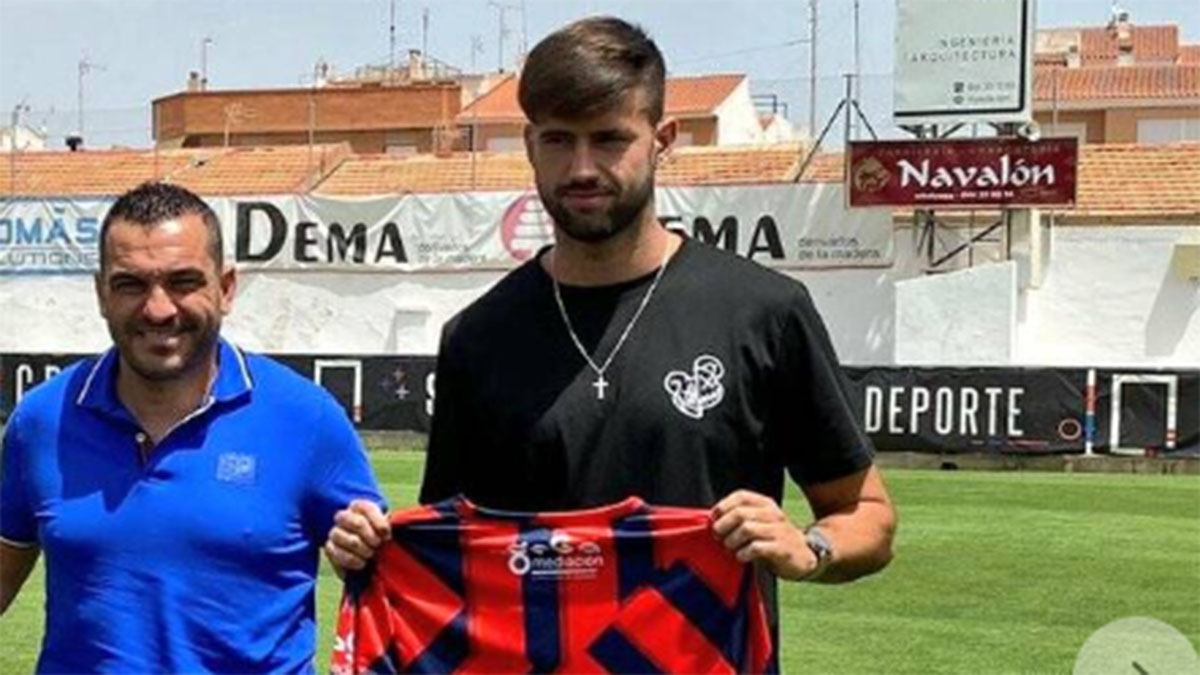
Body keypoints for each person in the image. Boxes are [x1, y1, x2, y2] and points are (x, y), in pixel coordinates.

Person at [326, 14, 895, 651]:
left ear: (663, 139)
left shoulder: (763, 311)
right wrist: (369, 548)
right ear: (530, 143)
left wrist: (807, 547)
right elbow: (450, 552)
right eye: (559, 141)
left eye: (609, 139)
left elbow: (866, 515)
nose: (582, 167)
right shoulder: (478, 336)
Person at [0, 182, 382, 673]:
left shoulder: (306, 419)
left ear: (225, 288)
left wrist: (359, 551)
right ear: (100, 293)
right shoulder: (42, 420)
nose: (158, 309)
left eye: (183, 282)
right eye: (131, 284)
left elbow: (385, 584)